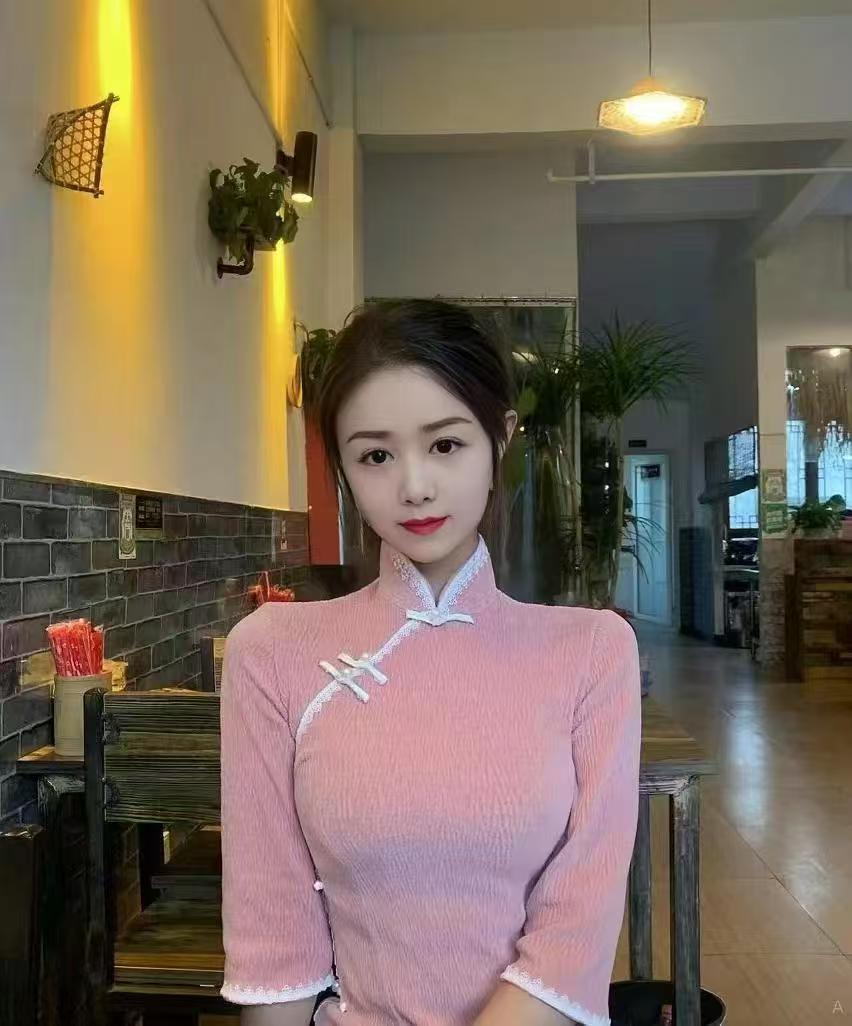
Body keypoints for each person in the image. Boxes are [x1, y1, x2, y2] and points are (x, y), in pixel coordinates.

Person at [219, 300, 641, 1026]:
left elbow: (576, 934)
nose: (413, 486)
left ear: (499, 437)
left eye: (445, 444)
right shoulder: (271, 652)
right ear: (343, 468)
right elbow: (274, 939)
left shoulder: (594, 651)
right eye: (375, 455)